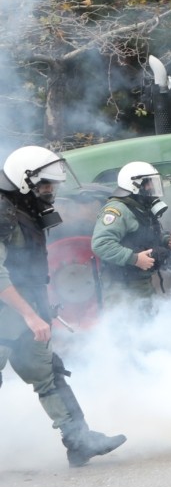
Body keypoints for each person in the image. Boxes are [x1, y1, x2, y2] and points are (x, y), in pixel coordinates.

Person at [0, 146, 126, 467]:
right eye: (46, 185)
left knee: (49, 374)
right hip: (11, 313)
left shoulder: (22, 209)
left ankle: (79, 441)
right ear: (25, 181)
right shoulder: (3, 213)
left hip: (21, 312)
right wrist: (30, 314)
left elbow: (26, 268)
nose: (51, 192)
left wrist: (39, 309)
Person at [90, 162, 171, 302]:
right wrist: (135, 259)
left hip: (139, 282)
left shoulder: (140, 207)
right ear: (134, 185)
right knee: (129, 323)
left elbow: (144, 234)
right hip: (122, 288)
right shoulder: (118, 210)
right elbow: (101, 244)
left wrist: (166, 240)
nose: (152, 187)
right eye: (149, 183)